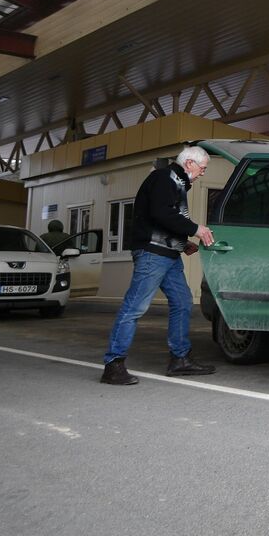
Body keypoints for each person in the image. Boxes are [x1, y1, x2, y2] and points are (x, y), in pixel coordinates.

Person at [100, 146, 217, 386]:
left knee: (183, 302)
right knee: (135, 306)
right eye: (203, 168)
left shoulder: (176, 182)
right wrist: (196, 229)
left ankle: (180, 359)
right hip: (153, 254)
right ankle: (113, 364)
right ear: (190, 164)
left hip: (167, 254)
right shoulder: (163, 178)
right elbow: (160, 213)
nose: (203, 173)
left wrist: (183, 244)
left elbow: (164, 220)